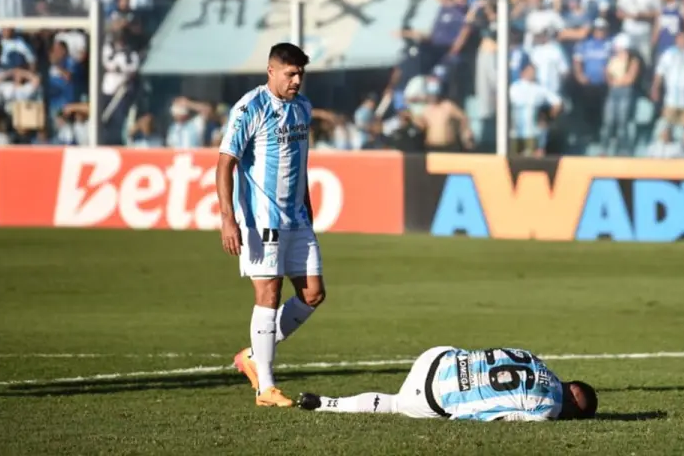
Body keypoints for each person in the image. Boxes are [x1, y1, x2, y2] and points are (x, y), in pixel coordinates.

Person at [217, 43, 325, 408]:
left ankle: (251, 355)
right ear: (271, 71)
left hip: (297, 218)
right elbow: (225, 163)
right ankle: (266, 387)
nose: (296, 81)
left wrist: (308, 206)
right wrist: (227, 219)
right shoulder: (250, 108)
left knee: (312, 294)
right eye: (290, 74)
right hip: (261, 219)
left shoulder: (303, 109)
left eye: (300, 75)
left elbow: (301, 162)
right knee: (269, 294)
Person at [296, 346, 598, 422]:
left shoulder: (533, 358)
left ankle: (320, 402)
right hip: (431, 396)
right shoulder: (547, 410)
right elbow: (503, 419)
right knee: (394, 404)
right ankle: (325, 404)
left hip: (436, 357)